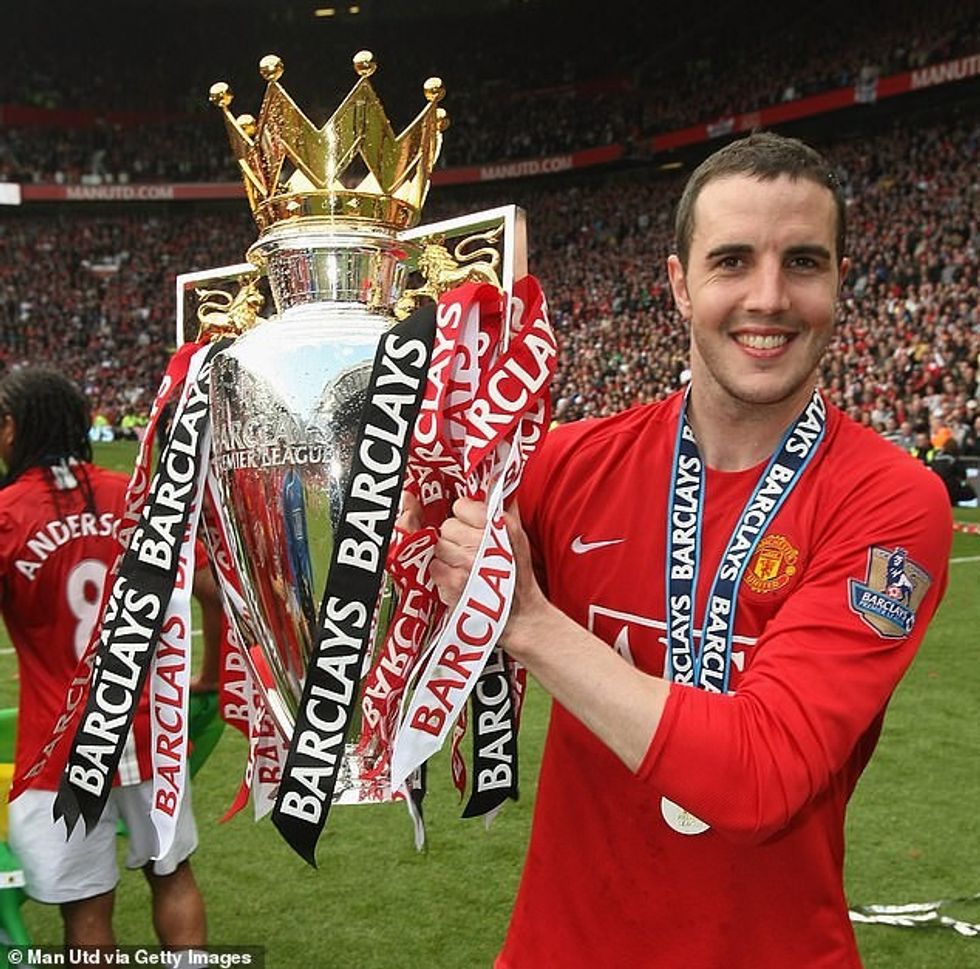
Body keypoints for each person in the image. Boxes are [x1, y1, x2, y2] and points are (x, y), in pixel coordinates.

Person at [427, 132, 952, 968]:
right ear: (679, 284)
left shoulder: (890, 501)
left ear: (841, 283)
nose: (769, 296)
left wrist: (524, 620)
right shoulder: (568, 463)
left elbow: (763, 772)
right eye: (733, 260)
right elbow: (420, 596)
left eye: (805, 262)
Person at [0, 367, 208, 953]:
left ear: (14, 428)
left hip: (58, 749)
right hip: (147, 731)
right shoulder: (130, 494)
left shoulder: (8, 514)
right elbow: (211, 588)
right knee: (172, 873)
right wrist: (212, 675)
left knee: (87, 910)